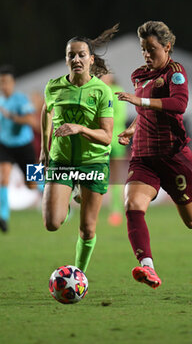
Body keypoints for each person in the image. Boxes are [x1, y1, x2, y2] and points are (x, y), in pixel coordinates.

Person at [116, 21, 192, 289]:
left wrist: (138, 101)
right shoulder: (138, 75)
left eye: (151, 49)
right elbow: (144, 114)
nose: (146, 54)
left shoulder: (176, 73)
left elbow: (179, 104)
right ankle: (148, 267)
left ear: (167, 47)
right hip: (143, 156)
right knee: (132, 205)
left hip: (173, 157)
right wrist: (131, 129)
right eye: (143, 49)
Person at [40, 25, 118, 274]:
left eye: (81, 55)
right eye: (71, 55)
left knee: (88, 228)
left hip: (92, 162)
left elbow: (107, 137)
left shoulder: (102, 91)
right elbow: (46, 110)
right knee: (52, 223)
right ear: (65, 59)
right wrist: (44, 149)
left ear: (91, 59)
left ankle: (79, 275)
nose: (76, 59)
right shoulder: (54, 87)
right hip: (61, 160)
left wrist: (80, 129)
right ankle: (74, 188)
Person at [0, 65, 38, 233]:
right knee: (3, 177)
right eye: (1, 82)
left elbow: (32, 121)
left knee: (33, 183)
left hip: (24, 146)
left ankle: (54, 194)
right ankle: (3, 217)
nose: (4, 85)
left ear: (13, 83)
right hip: (5, 145)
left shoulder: (21, 99)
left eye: (6, 82)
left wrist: (12, 117)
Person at [101, 73, 127, 226]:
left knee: (115, 177)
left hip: (114, 140)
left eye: (106, 75)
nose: (104, 77)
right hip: (101, 140)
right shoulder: (97, 90)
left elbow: (120, 117)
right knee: (97, 174)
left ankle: (116, 210)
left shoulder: (116, 91)